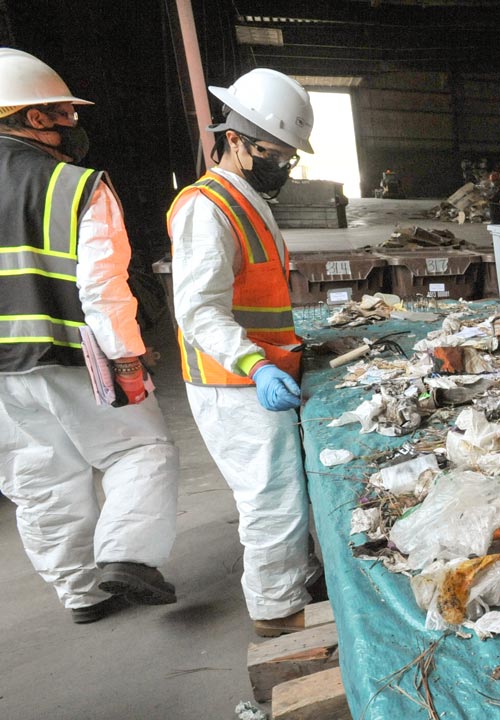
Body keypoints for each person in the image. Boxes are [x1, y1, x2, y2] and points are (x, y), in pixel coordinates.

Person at [0, 48, 179, 623]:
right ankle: (127, 557)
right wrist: (128, 359)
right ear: (34, 117)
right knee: (141, 450)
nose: (75, 125)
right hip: (75, 357)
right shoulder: (75, 185)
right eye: (65, 113)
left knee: (40, 478)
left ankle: (82, 593)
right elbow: (102, 288)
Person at [167, 68, 321, 637]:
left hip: (258, 372)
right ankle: (277, 612)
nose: (281, 164)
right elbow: (199, 310)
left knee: (283, 491)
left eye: (287, 155)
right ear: (234, 140)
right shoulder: (206, 208)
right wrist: (255, 364)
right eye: (272, 152)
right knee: (271, 500)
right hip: (233, 381)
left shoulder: (247, 197)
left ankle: (297, 578)